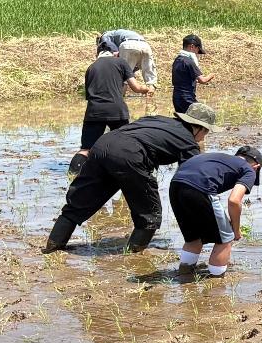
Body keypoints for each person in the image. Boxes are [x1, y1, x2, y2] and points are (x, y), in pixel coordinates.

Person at [44, 102, 218, 254]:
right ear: (199, 128)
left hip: (102, 145)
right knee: (149, 213)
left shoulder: (157, 119)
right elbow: (192, 177)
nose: (204, 136)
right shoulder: (188, 140)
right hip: (129, 155)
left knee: (79, 201)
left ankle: (53, 247)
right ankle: (133, 255)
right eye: (207, 132)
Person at [171, 145, 262, 278]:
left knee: (193, 238)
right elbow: (234, 201)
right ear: (256, 167)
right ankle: (216, 283)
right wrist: (235, 230)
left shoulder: (219, 158)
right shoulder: (249, 170)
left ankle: (184, 275)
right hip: (200, 189)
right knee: (225, 239)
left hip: (175, 186)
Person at [74, 43, 154, 170]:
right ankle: (132, 170)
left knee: (86, 149)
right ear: (115, 53)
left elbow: (89, 94)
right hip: (116, 110)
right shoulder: (121, 63)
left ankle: (73, 174)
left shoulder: (91, 67)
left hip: (94, 111)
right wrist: (147, 89)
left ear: (98, 54)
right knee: (126, 144)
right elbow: (136, 87)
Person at [171, 34, 209, 114]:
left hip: (176, 98)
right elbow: (203, 80)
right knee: (201, 117)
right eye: (197, 50)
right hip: (187, 98)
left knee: (183, 121)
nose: (197, 54)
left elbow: (183, 78)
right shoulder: (189, 61)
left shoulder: (177, 60)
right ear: (192, 46)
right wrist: (212, 75)